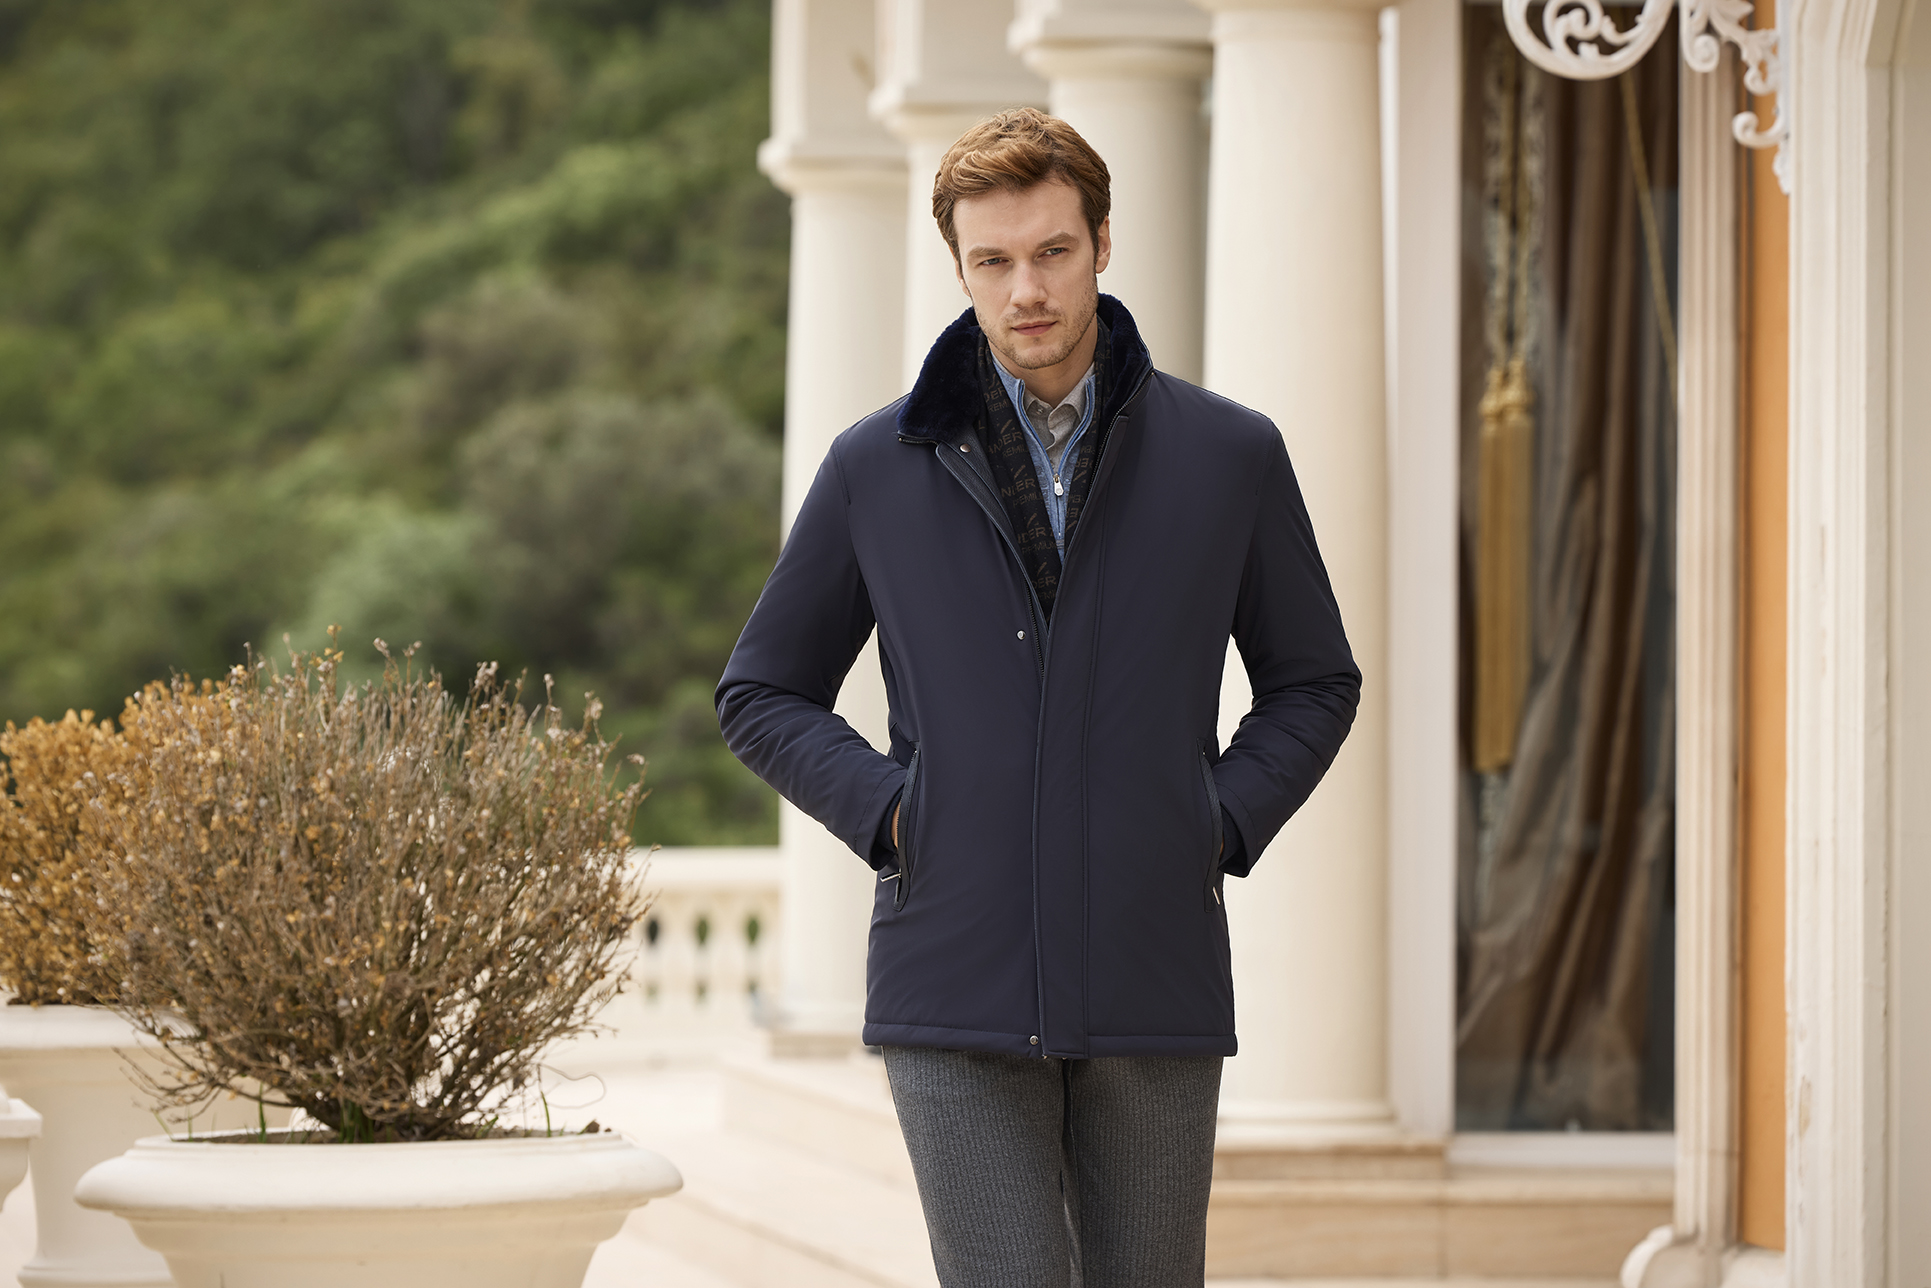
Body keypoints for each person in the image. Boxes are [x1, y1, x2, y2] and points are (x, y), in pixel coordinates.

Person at [716, 108, 1360, 1288]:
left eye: (1053, 251)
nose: (1026, 290)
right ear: (958, 268)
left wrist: (1211, 823)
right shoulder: (874, 469)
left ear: (1102, 242)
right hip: (952, 975)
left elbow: (1313, 680)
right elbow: (761, 690)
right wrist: (897, 814)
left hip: (1151, 965)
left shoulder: (1227, 455)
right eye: (993, 261)